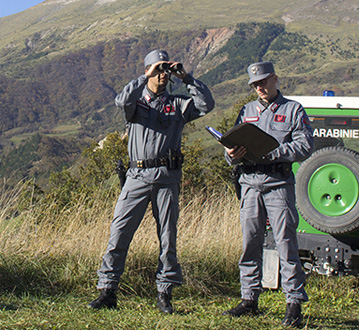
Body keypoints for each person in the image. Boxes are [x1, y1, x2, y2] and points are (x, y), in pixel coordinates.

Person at [88, 49, 215, 312]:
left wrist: (187, 77)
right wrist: (144, 76)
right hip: (136, 176)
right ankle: (108, 291)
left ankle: (164, 294)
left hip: (167, 177)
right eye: (157, 70)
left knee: (167, 238)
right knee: (119, 233)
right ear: (147, 71)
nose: (162, 75)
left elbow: (205, 105)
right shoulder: (136, 104)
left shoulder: (179, 105)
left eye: (164, 70)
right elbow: (121, 100)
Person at [223, 61, 313, 327]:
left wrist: (275, 152)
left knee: (286, 242)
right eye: (254, 85)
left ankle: (293, 302)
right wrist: (231, 155)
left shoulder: (293, 109)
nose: (259, 88)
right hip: (249, 183)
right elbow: (233, 142)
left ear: (275, 79)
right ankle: (249, 299)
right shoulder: (247, 110)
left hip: (278, 183)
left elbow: (305, 144)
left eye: (263, 82)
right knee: (250, 242)